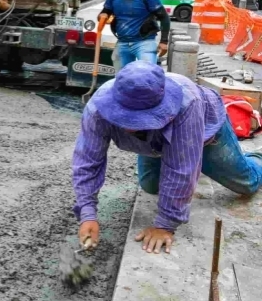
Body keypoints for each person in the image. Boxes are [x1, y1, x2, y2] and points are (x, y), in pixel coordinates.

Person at [73, 61, 262, 255]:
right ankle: (199, 167)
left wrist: (165, 225)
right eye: (125, 118)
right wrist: (87, 213)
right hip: (155, 143)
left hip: (206, 132)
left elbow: (181, 168)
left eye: (140, 118)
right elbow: (88, 161)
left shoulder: (188, 103)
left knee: (247, 183)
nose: (131, 125)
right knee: (151, 186)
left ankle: (257, 157)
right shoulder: (97, 109)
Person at [99, 0, 170, 70]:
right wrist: (103, 15)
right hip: (122, 42)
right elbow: (105, 11)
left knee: (148, 75)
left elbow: (164, 17)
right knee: (122, 79)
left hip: (144, 43)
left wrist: (164, 41)